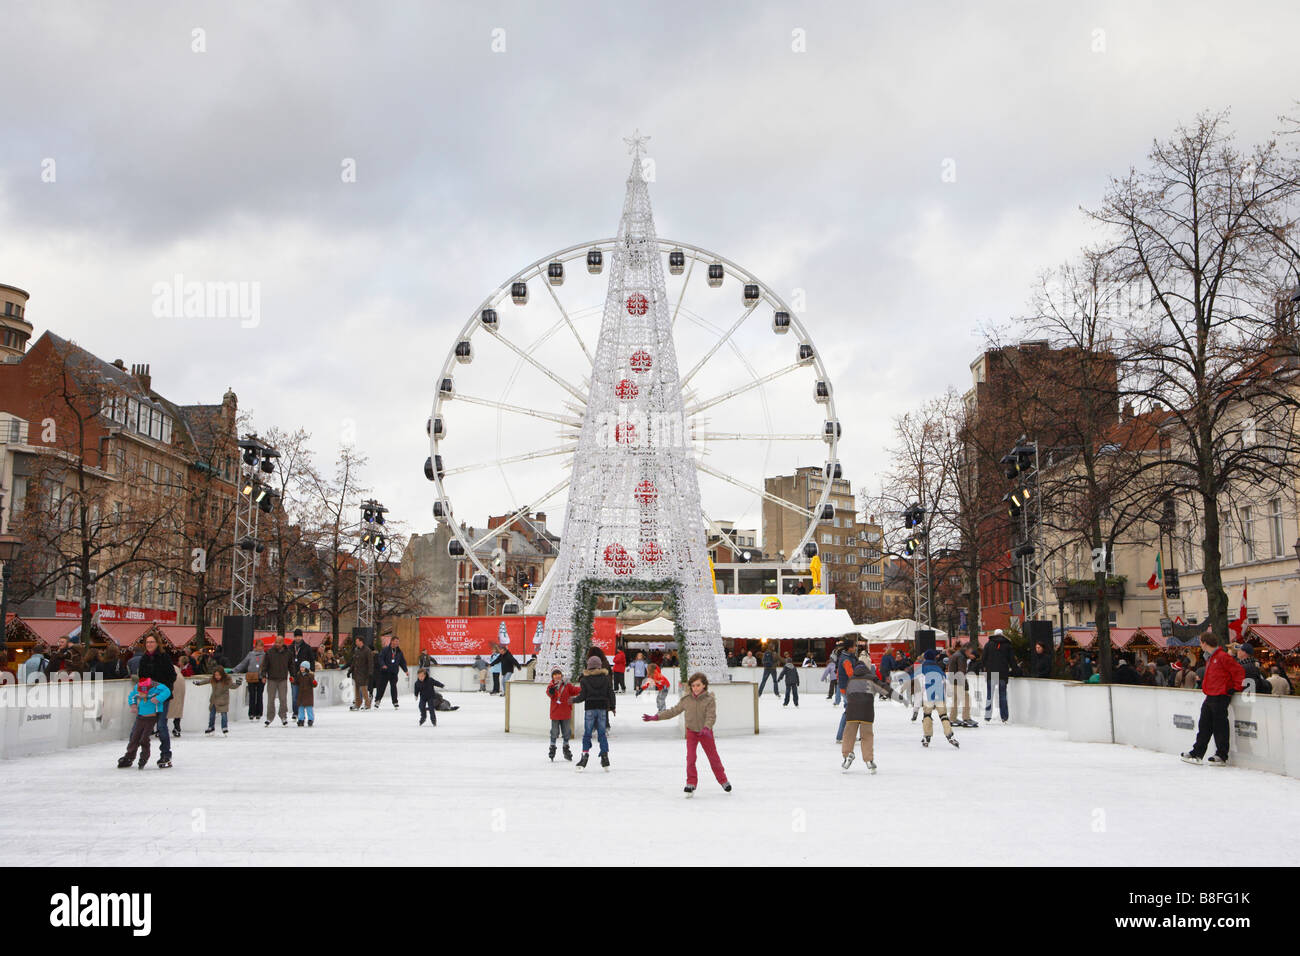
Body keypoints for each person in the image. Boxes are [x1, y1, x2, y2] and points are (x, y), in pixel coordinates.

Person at [644, 671, 731, 795]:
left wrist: (707, 728)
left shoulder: (709, 700)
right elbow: (673, 711)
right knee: (690, 758)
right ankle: (691, 783)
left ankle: (723, 780)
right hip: (691, 732)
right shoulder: (686, 699)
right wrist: (657, 717)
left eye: (698, 685)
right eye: (693, 685)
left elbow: (711, 716)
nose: (695, 688)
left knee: (713, 758)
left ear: (704, 686)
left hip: (705, 732)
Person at [1181, 632, 1245, 766]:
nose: (1200, 645)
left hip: (1221, 695)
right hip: (1210, 695)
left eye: (1200, 642)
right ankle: (1197, 752)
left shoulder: (1222, 657)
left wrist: (1234, 688)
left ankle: (1221, 755)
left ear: (1205, 643)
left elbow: (1238, 671)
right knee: (1204, 725)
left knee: (1219, 726)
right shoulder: (1211, 658)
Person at [136, 634, 176, 766]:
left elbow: (172, 676)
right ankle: (131, 754)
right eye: (147, 642)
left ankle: (166, 754)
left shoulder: (164, 657)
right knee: (140, 726)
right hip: (148, 698)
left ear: (157, 643)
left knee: (161, 725)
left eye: (152, 642)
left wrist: (162, 689)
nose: (149, 644)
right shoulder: (144, 659)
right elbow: (142, 677)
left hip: (162, 697)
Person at [571, 654, 616, 771]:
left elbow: (583, 696)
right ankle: (605, 755)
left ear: (589, 666)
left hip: (590, 708)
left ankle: (585, 756)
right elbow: (611, 693)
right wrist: (612, 707)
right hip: (602, 709)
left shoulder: (585, 680)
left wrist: (574, 700)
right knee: (602, 734)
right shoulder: (606, 679)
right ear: (599, 666)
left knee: (587, 734)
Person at [838, 646, 877, 773]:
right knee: (867, 736)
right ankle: (869, 760)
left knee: (848, 734)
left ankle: (847, 755)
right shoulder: (871, 677)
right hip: (867, 712)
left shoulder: (852, 679)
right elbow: (882, 689)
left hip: (853, 710)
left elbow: (848, 692)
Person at [118, 678, 171, 769]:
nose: (141, 695)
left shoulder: (158, 688)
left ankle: (154, 756)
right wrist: (133, 705)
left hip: (153, 716)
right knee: (134, 736)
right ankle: (129, 756)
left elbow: (167, 691)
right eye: (140, 693)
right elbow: (132, 696)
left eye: (143, 693)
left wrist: (158, 698)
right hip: (141, 717)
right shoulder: (138, 687)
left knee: (146, 737)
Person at [918, 650, 959, 749]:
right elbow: (946, 682)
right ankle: (949, 734)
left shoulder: (922, 668)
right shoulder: (938, 669)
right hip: (939, 695)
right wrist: (949, 693)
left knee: (927, 715)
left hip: (928, 695)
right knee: (943, 715)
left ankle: (927, 736)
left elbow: (920, 683)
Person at [546, 667, 581, 761]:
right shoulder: (551, 686)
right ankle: (552, 746)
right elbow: (549, 693)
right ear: (552, 676)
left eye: (559, 674)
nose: (557, 676)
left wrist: (584, 688)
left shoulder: (567, 685)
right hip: (555, 713)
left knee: (566, 732)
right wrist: (551, 691)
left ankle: (566, 747)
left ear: (561, 675)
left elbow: (575, 690)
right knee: (554, 731)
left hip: (565, 712)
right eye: (555, 674)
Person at [982, 628, 1014, 723]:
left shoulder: (988, 645)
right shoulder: (1007, 645)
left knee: (989, 696)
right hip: (1003, 673)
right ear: (1002, 634)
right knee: (1003, 695)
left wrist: (985, 667)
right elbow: (1012, 660)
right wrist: (1015, 670)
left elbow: (983, 659)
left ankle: (988, 716)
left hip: (991, 673)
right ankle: (1004, 717)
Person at [196, 668, 240, 734]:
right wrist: (198, 683)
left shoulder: (226, 681)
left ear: (222, 675)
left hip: (223, 700)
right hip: (214, 700)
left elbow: (232, 686)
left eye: (219, 675)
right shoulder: (213, 679)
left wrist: (238, 683)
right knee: (212, 715)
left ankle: (224, 727)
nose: (217, 677)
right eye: (216, 675)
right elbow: (206, 681)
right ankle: (211, 727)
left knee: (224, 714)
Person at [262, 635, 293, 726]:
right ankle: (269, 717)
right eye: (276, 642)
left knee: (283, 699)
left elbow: (291, 665)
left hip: (283, 679)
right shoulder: (269, 652)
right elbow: (264, 665)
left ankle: (283, 716)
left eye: (279, 642)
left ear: (283, 643)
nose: (277, 644)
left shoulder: (288, 653)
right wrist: (264, 676)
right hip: (271, 679)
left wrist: (293, 675)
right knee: (270, 699)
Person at [233, 641, 266, 720]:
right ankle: (251, 713)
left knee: (259, 695)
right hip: (251, 677)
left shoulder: (265, 655)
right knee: (252, 695)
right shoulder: (250, 654)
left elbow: (267, 666)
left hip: (261, 677)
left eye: (261, 646)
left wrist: (266, 675)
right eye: (258, 646)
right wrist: (235, 670)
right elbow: (243, 663)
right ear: (255, 646)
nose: (260, 648)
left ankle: (259, 713)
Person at [374, 635, 408, 708]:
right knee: (381, 687)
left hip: (394, 672)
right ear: (392, 641)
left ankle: (395, 702)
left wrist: (406, 670)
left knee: (393, 687)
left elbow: (402, 662)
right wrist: (383, 665)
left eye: (398, 642)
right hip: (385, 672)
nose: (397, 643)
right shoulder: (385, 650)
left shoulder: (399, 652)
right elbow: (380, 658)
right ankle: (377, 700)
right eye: (396, 641)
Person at [947, 643, 976, 728]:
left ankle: (952, 718)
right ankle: (966, 718)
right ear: (967, 650)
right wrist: (964, 684)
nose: (971, 654)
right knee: (967, 699)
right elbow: (961, 671)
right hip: (958, 682)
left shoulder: (958, 655)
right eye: (970, 652)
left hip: (953, 681)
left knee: (956, 700)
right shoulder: (961, 657)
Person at [289, 630, 316, 718]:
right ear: (294, 637)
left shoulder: (307, 647)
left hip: (305, 675)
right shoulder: (290, 647)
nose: (298, 638)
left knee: (305, 695)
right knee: (295, 695)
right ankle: (296, 712)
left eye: (299, 636)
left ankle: (306, 712)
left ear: (302, 636)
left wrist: (311, 671)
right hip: (294, 674)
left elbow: (312, 660)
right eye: (296, 636)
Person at [348, 636, 374, 710]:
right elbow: (354, 661)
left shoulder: (367, 650)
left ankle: (367, 704)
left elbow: (370, 662)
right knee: (356, 689)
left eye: (357, 641)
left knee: (363, 689)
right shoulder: (356, 650)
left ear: (361, 641)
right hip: (356, 673)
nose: (356, 643)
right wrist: (350, 671)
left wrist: (370, 672)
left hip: (364, 672)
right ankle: (357, 704)